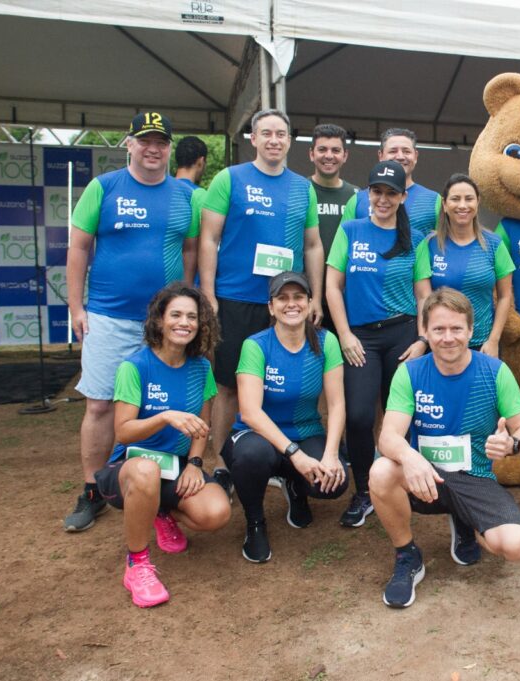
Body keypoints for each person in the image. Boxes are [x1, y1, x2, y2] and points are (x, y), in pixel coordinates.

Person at [64, 112, 203, 532]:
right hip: (110, 316)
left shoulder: (187, 195)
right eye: (145, 140)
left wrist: (186, 305)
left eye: (161, 141)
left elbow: (192, 250)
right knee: (101, 404)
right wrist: (76, 308)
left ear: (169, 147)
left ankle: (162, 489)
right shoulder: (103, 188)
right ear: (129, 143)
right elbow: (78, 249)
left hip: (167, 324)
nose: (153, 148)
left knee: (168, 404)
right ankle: (93, 490)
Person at [371, 288, 520, 608]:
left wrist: (512, 444)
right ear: (426, 332)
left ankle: (467, 521)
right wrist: (408, 456)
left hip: (474, 477)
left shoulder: (495, 371)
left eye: (457, 329)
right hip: (424, 477)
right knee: (381, 471)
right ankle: (407, 555)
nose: (448, 338)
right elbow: (388, 436)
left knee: (517, 546)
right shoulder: (410, 372)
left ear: (471, 330)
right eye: (439, 329)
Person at [199, 109, 323, 496]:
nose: (274, 140)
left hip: (287, 304)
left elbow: (314, 244)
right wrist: (207, 294)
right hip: (236, 299)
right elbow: (208, 238)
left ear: (289, 141)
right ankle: (221, 462)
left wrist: (315, 296)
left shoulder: (303, 187)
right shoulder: (229, 179)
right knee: (228, 386)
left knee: (286, 384)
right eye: (266, 133)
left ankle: (278, 459)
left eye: (281, 134)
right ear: (253, 138)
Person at [94, 284, 230, 607]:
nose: (184, 322)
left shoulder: (202, 368)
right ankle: (137, 564)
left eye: (192, 317)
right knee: (146, 472)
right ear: (159, 321)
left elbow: (201, 426)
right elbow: (124, 432)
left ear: (201, 325)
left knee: (217, 512)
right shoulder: (135, 367)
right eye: (176, 315)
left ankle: (160, 512)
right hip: (128, 468)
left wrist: (195, 464)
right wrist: (165, 417)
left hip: (175, 466)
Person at [326, 160, 432, 528]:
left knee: (400, 414)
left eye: (391, 193)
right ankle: (363, 492)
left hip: (403, 335)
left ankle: (406, 483)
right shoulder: (351, 230)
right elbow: (332, 287)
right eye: (377, 191)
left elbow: (424, 295)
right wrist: (345, 335)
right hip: (361, 337)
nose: (383, 199)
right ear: (367, 193)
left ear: (403, 197)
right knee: (358, 415)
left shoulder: (415, 239)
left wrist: (422, 339)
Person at [220, 272, 347, 562]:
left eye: (298, 297)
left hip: (305, 431)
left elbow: (337, 404)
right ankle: (255, 523)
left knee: (334, 482)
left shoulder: (326, 342)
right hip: (256, 436)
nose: (291, 304)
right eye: (282, 298)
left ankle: (294, 485)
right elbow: (251, 412)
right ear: (271, 306)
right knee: (254, 455)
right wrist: (294, 454)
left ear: (310, 302)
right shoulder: (256, 345)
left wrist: (330, 455)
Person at [415, 173, 513, 355]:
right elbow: (423, 298)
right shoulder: (428, 245)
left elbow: (505, 296)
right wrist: (424, 338)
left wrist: (493, 340)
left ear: (477, 203)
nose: (462, 205)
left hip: (481, 345)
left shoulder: (494, 244)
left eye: (469, 199)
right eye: (455, 199)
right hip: (440, 344)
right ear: (444, 204)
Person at [342, 128, 441, 237]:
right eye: (393, 151)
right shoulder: (357, 200)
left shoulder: (434, 200)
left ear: (416, 156)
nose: (400, 157)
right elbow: (343, 242)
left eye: (406, 151)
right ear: (380, 155)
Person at [308, 123, 358, 332]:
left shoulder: (357, 196)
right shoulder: (299, 191)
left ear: (345, 155)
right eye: (322, 149)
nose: (329, 156)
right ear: (311, 154)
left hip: (345, 300)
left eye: (335, 150)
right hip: (306, 298)